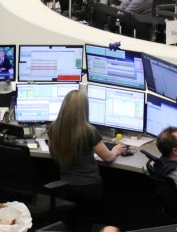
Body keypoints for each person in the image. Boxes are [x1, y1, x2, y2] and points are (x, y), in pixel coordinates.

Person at [48, 90, 127, 232]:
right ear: (84, 108)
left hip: (65, 187)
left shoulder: (54, 127)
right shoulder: (89, 130)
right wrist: (115, 150)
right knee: (84, 225)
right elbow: (107, 157)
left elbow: (53, 153)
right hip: (89, 187)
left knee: (70, 226)